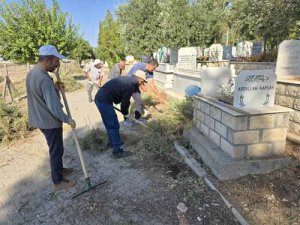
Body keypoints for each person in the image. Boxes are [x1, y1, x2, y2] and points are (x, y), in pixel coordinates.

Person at [26, 45, 76, 191]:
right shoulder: (44, 78)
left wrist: (55, 88)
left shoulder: (32, 73)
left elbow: (40, 95)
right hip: (49, 121)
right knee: (56, 150)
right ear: (47, 60)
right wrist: (68, 119)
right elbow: (53, 107)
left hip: (39, 119)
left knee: (57, 148)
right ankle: (57, 181)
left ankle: (59, 169)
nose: (58, 64)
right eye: (56, 61)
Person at [94, 70, 147, 158]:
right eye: (143, 81)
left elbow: (123, 99)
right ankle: (117, 151)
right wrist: (125, 114)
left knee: (109, 123)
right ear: (139, 78)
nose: (142, 83)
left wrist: (125, 112)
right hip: (104, 100)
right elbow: (125, 103)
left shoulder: (127, 80)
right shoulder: (130, 85)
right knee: (113, 124)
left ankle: (112, 142)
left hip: (101, 98)